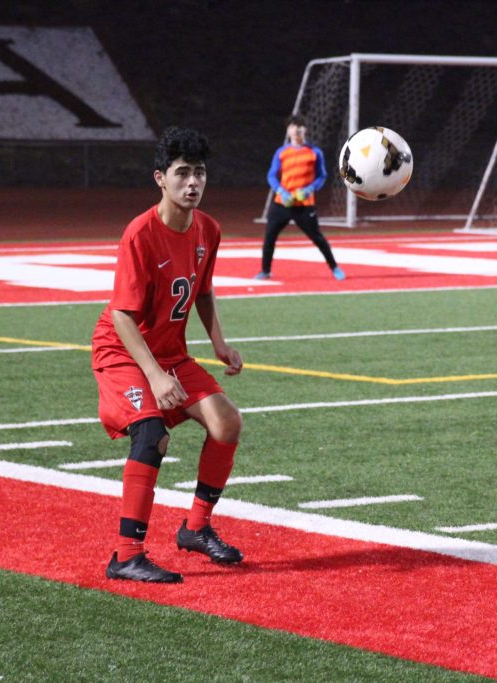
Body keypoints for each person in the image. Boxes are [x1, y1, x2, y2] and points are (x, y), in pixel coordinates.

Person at [92, 126, 244, 583]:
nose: (192, 183)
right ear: (161, 178)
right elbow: (122, 316)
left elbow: (202, 289)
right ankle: (126, 555)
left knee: (227, 423)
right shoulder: (140, 233)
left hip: (169, 352)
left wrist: (218, 342)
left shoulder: (208, 229)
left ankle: (195, 528)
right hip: (122, 353)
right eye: (182, 174)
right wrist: (156, 377)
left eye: (199, 173)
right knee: (152, 434)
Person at [255, 114, 345, 281]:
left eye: (300, 127)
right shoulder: (281, 152)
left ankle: (335, 268)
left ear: (305, 130)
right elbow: (272, 176)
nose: (296, 130)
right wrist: (281, 191)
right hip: (282, 203)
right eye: (293, 127)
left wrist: (309, 189)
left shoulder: (314, 152)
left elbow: (322, 176)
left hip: (304, 204)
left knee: (317, 237)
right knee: (269, 237)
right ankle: (265, 271)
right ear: (288, 131)